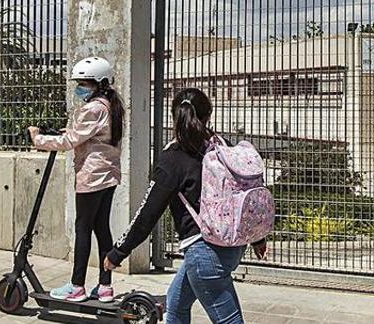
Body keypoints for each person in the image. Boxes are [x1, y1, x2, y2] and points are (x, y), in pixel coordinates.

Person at [104, 88, 267, 324]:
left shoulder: (172, 159)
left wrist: (118, 251)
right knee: (177, 304)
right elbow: (243, 194)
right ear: (208, 115)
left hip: (205, 253)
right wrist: (258, 239)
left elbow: (147, 213)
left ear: (174, 117)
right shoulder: (223, 147)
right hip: (232, 245)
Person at [27, 57, 124, 303]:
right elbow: (91, 136)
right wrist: (69, 133)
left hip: (92, 176)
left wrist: (38, 139)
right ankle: (105, 286)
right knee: (102, 229)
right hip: (108, 174)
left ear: (99, 83)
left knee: (82, 229)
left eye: (84, 83)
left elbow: (70, 142)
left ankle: (77, 286)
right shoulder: (111, 105)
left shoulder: (93, 108)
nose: (80, 87)